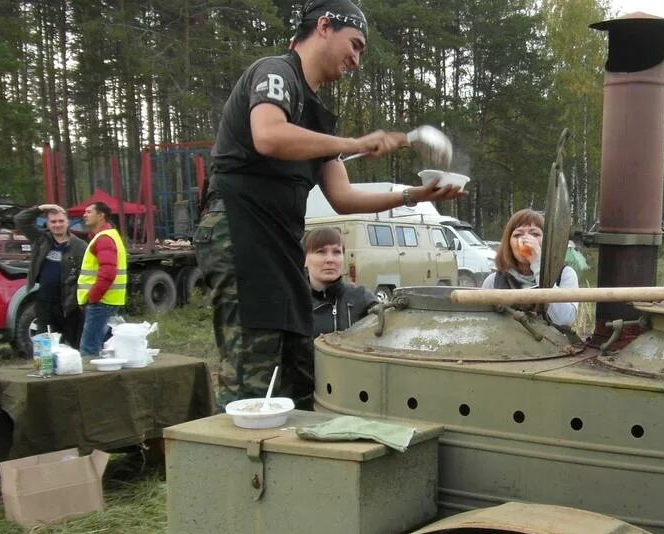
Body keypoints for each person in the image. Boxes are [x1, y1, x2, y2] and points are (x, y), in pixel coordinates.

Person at [196, 0, 463, 410]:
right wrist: (355, 143)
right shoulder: (275, 72)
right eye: (354, 44)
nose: (356, 59)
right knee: (254, 370)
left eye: (362, 51)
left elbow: (344, 198)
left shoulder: (320, 117)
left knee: (298, 364)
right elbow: (268, 135)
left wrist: (417, 195)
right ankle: (234, 456)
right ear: (324, 26)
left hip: (282, 243)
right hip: (239, 233)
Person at [481, 209, 578, 327]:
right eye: (518, 234)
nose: (526, 240)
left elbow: (564, 320)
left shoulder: (564, 275)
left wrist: (538, 265)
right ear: (508, 244)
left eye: (535, 234)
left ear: (547, 241)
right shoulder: (494, 281)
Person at [16, 203, 89, 347]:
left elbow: (86, 275)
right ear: (47, 224)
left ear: (68, 222)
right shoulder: (42, 239)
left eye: (61, 221)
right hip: (44, 301)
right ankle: (46, 367)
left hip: (69, 305)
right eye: (53, 222)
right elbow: (20, 220)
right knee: (45, 344)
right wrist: (42, 207)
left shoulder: (80, 246)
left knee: (75, 345)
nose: (57, 225)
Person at [77, 201, 128, 357]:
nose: (84, 215)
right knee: (109, 349)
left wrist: (93, 297)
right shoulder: (108, 235)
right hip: (108, 300)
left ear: (101, 216)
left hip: (101, 302)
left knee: (89, 349)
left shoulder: (104, 239)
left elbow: (108, 272)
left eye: (89, 212)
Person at [305, 226, 376, 334]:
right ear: (304, 259)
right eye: (321, 252)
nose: (330, 259)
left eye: (337, 252)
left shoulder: (363, 298)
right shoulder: (295, 304)